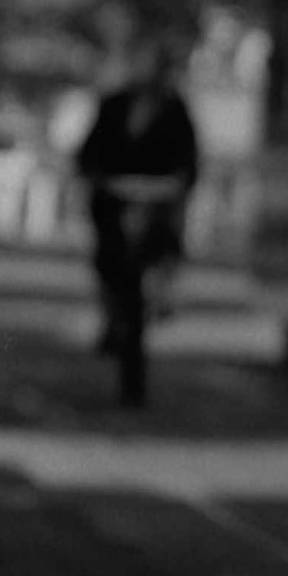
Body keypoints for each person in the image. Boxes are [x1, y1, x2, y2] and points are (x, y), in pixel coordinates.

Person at [75, 34, 200, 354]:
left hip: (158, 201)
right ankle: (113, 314)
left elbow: (190, 160)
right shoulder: (113, 105)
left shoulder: (175, 108)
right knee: (110, 258)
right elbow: (89, 153)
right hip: (117, 198)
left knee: (161, 248)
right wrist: (101, 179)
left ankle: (159, 293)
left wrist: (176, 184)